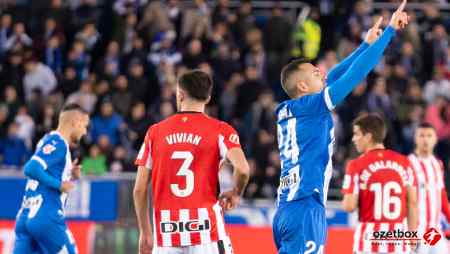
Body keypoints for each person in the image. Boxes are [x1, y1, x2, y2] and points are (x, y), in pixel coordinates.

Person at [272, 1, 410, 253]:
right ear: (303, 87)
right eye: (315, 73)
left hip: (285, 210)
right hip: (306, 207)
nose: (322, 74)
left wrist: (365, 45)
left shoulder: (287, 109)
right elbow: (354, 75)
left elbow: (334, 74)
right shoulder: (314, 106)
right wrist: (389, 32)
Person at [134, 70, 250, 254]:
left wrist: (145, 232)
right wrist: (236, 192)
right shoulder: (221, 130)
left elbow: (139, 189)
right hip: (207, 234)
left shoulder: (154, 133)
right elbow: (243, 169)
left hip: (166, 235)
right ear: (208, 97)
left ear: (179, 94)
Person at [13, 103, 90, 254]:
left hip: (25, 215)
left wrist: (70, 173)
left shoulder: (46, 139)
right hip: (45, 216)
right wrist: (59, 184)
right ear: (75, 122)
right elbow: (31, 168)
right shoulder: (59, 143)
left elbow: (44, 170)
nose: (85, 132)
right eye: (84, 125)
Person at [341, 114, 417, 253]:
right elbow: (412, 203)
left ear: (368, 136)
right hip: (398, 244)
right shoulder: (405, 162)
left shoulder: (356, 165)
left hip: (368, 244)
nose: (353, 139)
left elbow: (348, 206)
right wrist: (411, 240)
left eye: (357, 134)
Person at [408, 123, 450, 253]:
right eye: (421, 135)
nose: (425, 139)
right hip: (417, 231)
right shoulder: (408, 163)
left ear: (435, 139)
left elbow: (441, 196)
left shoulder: (437, 164)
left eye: (429, 136)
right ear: (415, 138)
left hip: (434, 230)